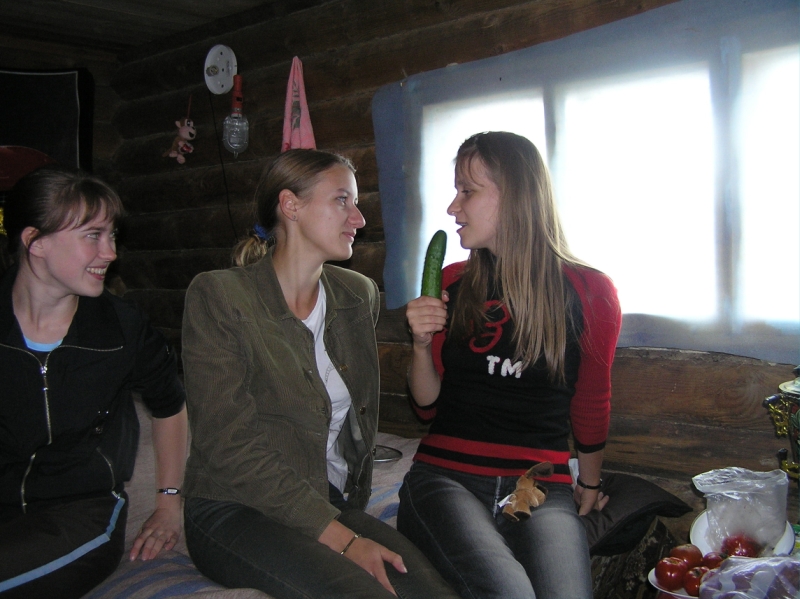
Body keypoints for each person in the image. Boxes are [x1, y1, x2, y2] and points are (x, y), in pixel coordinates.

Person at [180, 149, 459, 599]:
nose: (359, 219)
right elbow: (227, 445)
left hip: (322, 495)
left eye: (356, 203)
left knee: (430, 591)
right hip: (233, 505)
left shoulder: (356, 295)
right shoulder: (219, 296)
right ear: (291, 206)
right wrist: (345, 540)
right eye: (342, 200)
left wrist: (345, 516)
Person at [398, 131, 623, 599]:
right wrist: (420, 344)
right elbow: (426, 407)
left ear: (515, 196)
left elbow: (591, 397)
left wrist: (589, 482)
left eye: (467, 191)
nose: (453, 207)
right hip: (446, 478)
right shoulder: (452, 282)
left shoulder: (589, 290)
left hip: (536, 485)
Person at [0, 166, 188, 598]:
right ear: (35, 242)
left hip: (81, 514)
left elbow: (170, 406)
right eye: (93, 236)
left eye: (112, 235)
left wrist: (168, 503)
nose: (111, 252)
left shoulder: (121, 329)